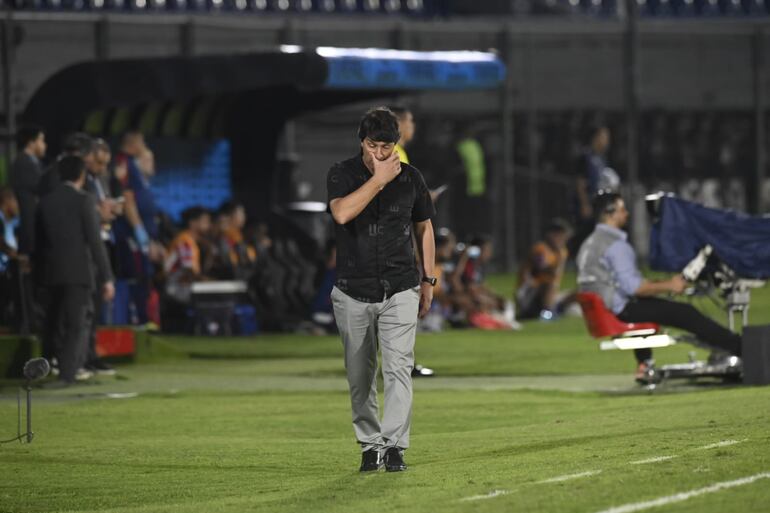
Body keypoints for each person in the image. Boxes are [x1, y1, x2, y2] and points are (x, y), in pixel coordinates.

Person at [327, 107, 436, 473]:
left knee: (398, 369)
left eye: (387, 147)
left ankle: (393, 448)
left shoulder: (411, 178)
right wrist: (377, 179)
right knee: (360, 375)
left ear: (396, 145)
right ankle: (369, 445)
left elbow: (424, 228)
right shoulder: (342, 173)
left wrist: (429, 279)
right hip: (352, 288)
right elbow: (342, 214)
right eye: (373, 146)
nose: (380, 154)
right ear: (362, 142)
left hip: (401, 285)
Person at [576, 192, 742, 382]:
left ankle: (644, 364)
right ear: (610, 213)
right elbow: (635, 288)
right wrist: (671, 285)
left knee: (657, 306)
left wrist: (660, 285)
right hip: (621, 310)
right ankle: (742, 347)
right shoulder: (616, 246)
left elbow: (621, 283)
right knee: (685, 313)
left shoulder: (590, 243)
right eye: (622, 209)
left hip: (606, 308)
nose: (627, 213)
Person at [36, 156, 115, 386]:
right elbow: (95, 241)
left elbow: (39, 241)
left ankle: (49, 368)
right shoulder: (84, 200)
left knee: (53, 323)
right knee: (76, 324)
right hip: (78, 272)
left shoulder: (46, 201)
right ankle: (68, 374)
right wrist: (107, 276)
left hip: (51, 272)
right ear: (81, 175)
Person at [570, 124, 619, 255]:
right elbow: (580, 182)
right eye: (604, 137)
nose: (607, 140)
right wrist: (584, 204)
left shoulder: (601, 159)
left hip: (599, 203)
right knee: (584, 234)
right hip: (588, 203)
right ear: (595, 138)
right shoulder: (586, 157)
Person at [516, 219, 576, 320]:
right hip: (529, 293)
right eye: (561, 236)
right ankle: (548, 314)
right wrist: (558, 258)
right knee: (549, 284)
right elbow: (541, 267)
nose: (563, 239)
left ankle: (553, 311)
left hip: (548, 295)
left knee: (578, 293)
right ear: (551, 235)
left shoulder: (562, 251)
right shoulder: (541, 248)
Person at [9, 126, 46, 257]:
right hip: (29, 230)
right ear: (31, 143)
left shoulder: (34, 163)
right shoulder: (23, 163)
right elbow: (40, 188)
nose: (44, 145)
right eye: (41, 140)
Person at [163, 206, 212, 305]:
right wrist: (207, 281)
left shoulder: (193, 241)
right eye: (205, 221)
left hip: (182, 290)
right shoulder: (185, 241)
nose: (209, 225)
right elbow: (187, 271)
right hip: (176, 291)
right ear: (192, 223)